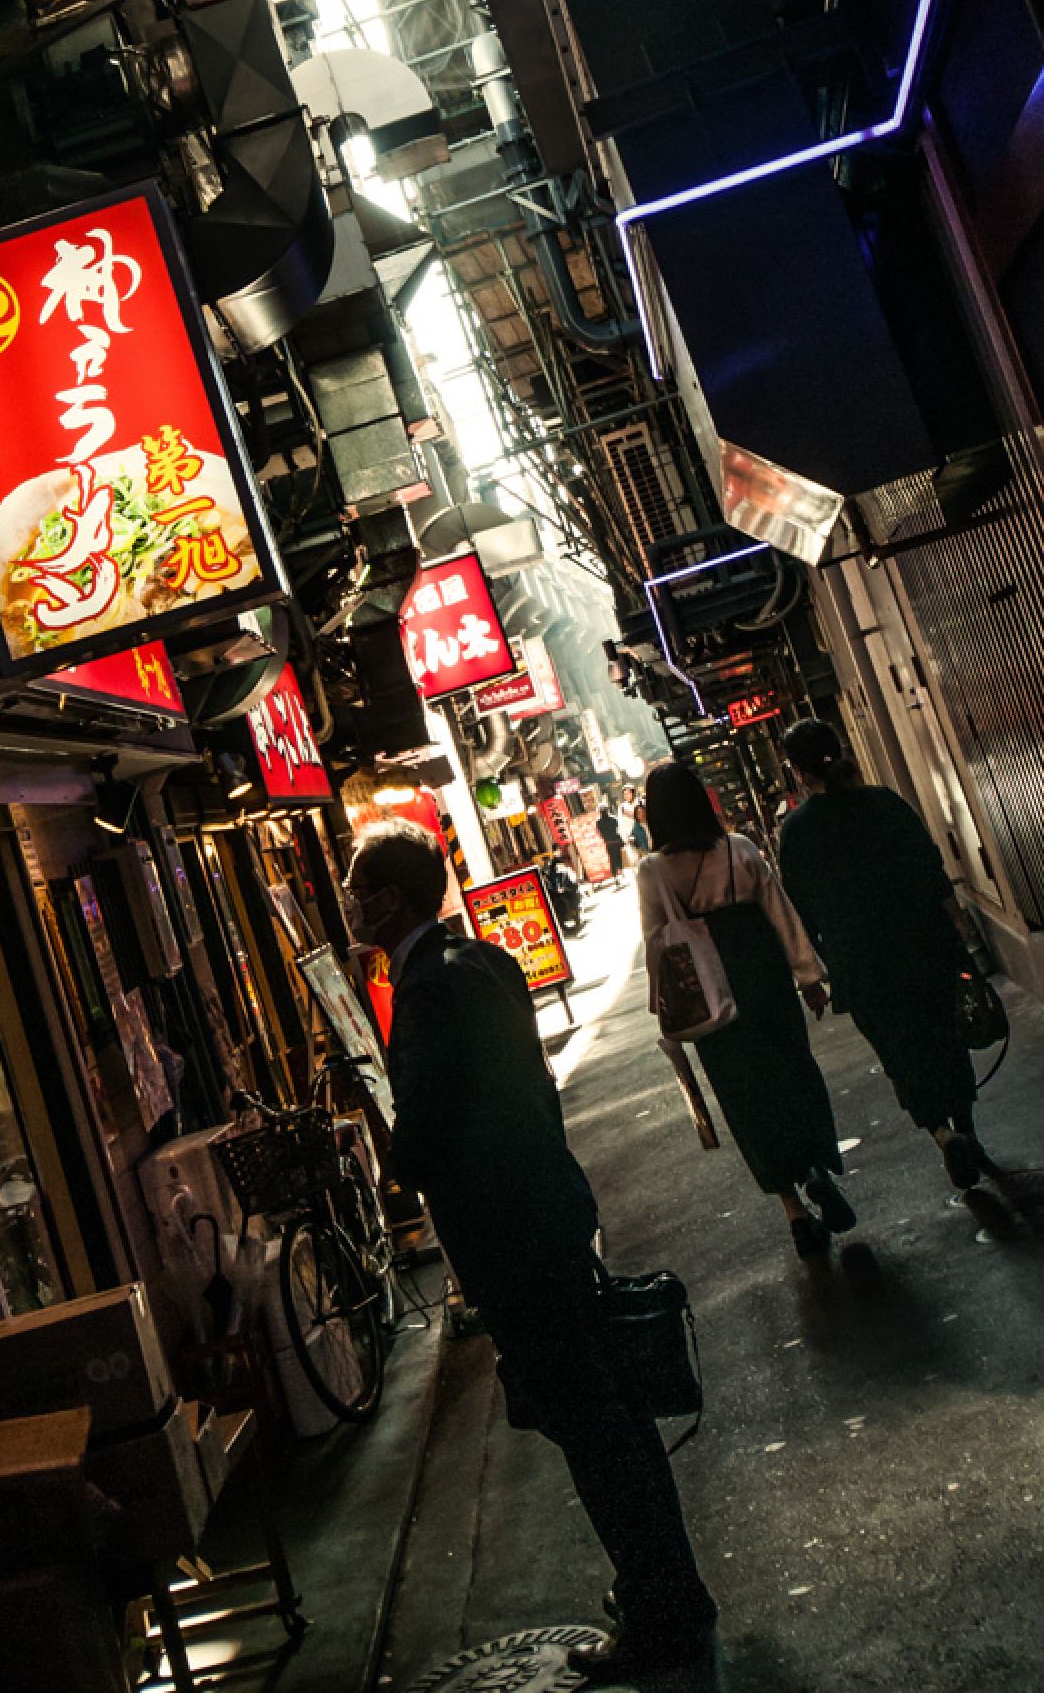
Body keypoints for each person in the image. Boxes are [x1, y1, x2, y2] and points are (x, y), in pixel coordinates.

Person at [345, 820, 717, 1682]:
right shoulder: (487, 962)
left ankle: (662, 1609)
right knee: (610, 1420)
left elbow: (436, 1137)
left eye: (359, 887)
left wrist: (388, 1143)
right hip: (550, 1219)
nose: (350, 902)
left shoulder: (429, 994)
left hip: (513, 1245)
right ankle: (669, 1590)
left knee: (594, 1431)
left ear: (390, 899)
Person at [638, 762, 853, 1259]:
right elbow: (781, 913)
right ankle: (815, 1167)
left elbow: (656, 944)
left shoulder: (653, 872)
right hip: (763, 978)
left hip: (710, 997)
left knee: (746, 1097)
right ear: (701, 800)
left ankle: (793, 1211)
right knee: (793, 1074)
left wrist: (668, 1014)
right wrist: (808, 978)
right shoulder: (741, 850)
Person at [778, 719, 989, 1188]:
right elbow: (929, 868)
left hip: (862, 963)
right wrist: (957, 928)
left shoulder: (797, 832)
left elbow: (801, 911)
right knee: (946, 1038)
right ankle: (967, 1129)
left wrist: (820, 965)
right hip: (926, 944)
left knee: (900, 1052)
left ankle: (941, 1135)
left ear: (796, 771)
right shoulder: (885, 804)